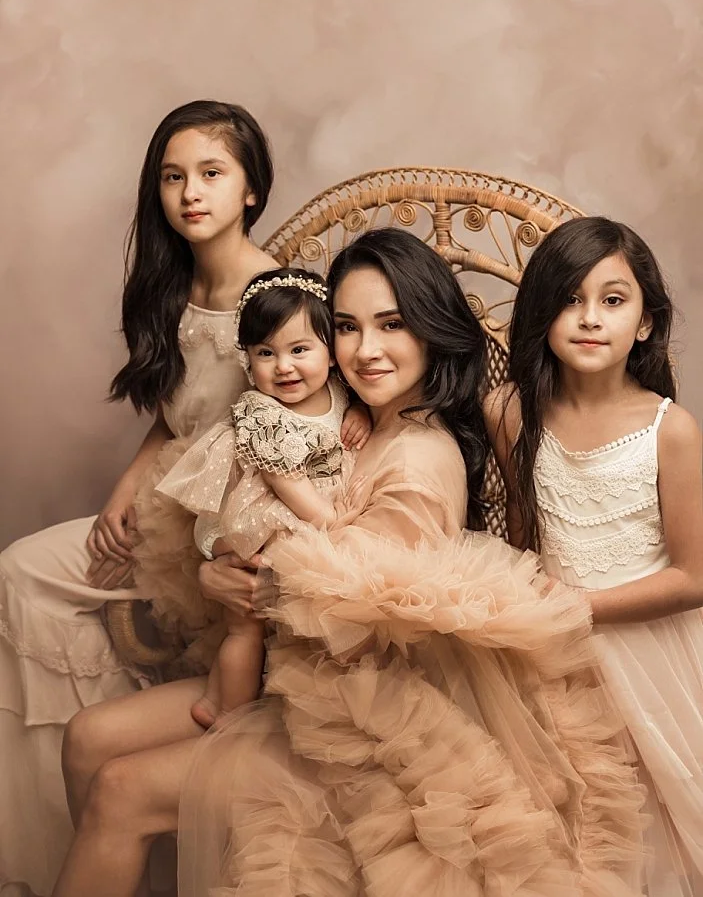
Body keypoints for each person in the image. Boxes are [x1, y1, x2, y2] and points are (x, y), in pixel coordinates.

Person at [53, 228, 645, 897]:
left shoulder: (419, 460)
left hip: (364, 729)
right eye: (346, 327)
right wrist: (215, 567)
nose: (366, 350)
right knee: (89, 735)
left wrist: (236, 584)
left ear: (430, 330)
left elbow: (354, 623)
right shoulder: (345, 417)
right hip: (296, 684)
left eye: (391, 325)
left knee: (121, 789)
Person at [0, 99, 281, 896]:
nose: (190, 193)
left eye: (211, 174)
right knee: (22, 574)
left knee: (42, 579)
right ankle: (43, 837)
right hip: (164, 499)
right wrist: (126, 488)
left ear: (250, 189)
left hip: (223, 519)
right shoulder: (170, 287)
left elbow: (301, 418)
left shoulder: (275, 295)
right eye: (172, 177)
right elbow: (172, 417)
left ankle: (126, 781)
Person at [486, 216, 703, 896]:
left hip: (651, 653)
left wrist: (582, 608)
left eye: (612, 300)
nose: (588, 318)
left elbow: (695, 577)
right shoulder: (510, 413)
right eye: (569, 300)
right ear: (543, 313)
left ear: (643, 323)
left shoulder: (669, 430)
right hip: (555, 658)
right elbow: (525, 540)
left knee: (662, 827)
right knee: (576, 837)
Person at [150, 266, 369, 729]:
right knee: (244, 625)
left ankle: (227, 693)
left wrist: (361, 418)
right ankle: (224, 712)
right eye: (265, 353)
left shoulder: (338, 392)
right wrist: (330, 523)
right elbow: (286, 483)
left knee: (280, 626)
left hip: (301, 514)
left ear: (331, 354)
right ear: (249, 361)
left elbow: (343, 422)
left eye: (299, 350)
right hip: (263, 521)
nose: (284, 366)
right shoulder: (260, 412)